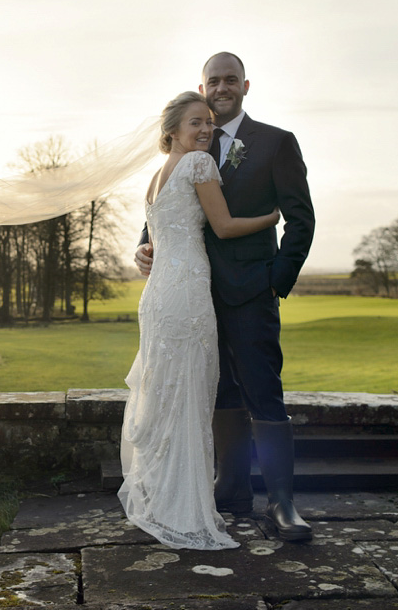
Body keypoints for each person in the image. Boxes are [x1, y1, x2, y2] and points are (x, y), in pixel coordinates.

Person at [134, 52, 315, 542]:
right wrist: (143, 249)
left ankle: (282, 502)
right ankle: (230, 487)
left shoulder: (276, 143)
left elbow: (301, 218)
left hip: (252, 291)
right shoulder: (193, 141)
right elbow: (163, 213)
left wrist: (277, 279)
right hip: (193, 294)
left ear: (246, 85)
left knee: (262, 390)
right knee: (216, 392)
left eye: (230, 79)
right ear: (203, 85)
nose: (221, 87)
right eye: (213, 80)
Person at [118, 90, 280, 550]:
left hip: (157, 297)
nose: (206, 130)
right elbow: (225, 225)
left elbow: (156, 235)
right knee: (189, 396)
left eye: (209, 122)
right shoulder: (198, 165)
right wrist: (271, 216)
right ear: (172, 130)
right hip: (187, 293)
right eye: (196, 123)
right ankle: (184, 507)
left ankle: (164, 497)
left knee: (168, 393)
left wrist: (141, 250)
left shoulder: (155, 178)